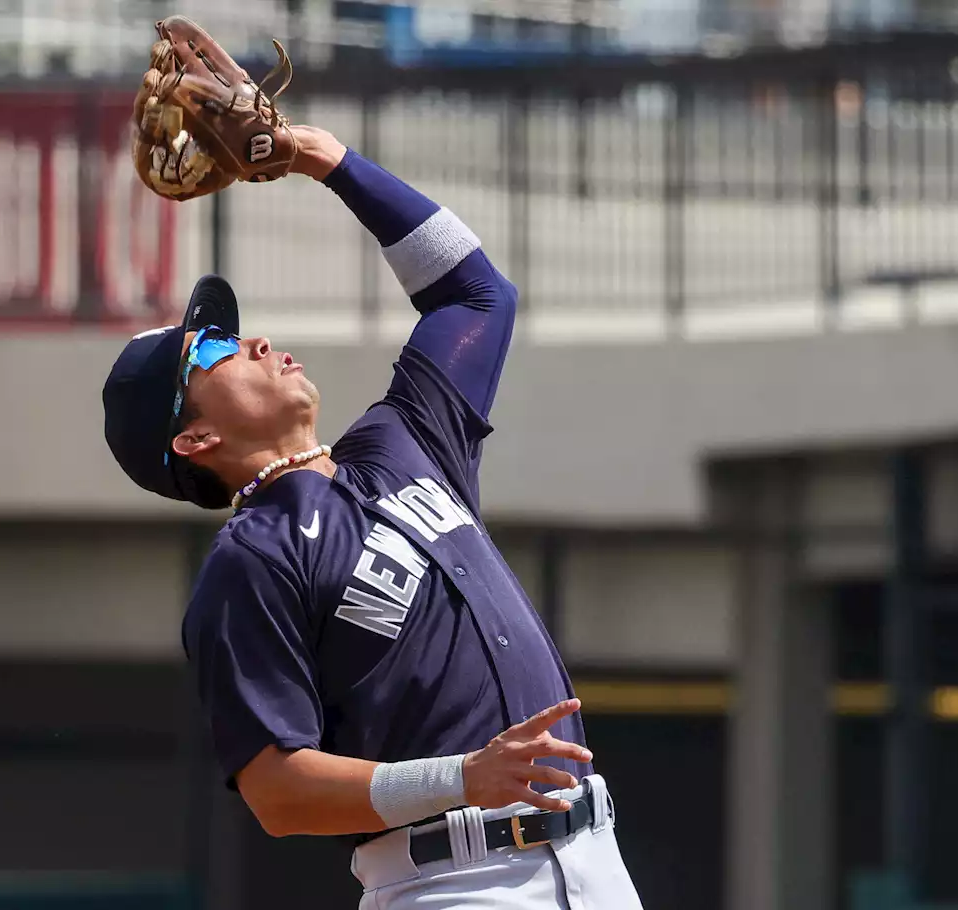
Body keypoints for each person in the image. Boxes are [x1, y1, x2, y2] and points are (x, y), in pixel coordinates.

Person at [102, 123, 644, 909]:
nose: (251, 342)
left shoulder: (401, 444)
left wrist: (325, 160)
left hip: (594, 860)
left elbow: (477, 292)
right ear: (195, 437)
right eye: (210, 351)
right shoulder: (250, 560)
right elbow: (278, 792)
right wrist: (460, 778)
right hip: (454, 881)